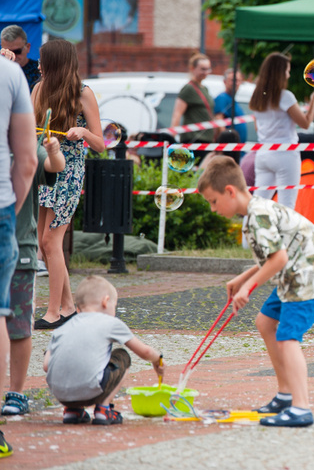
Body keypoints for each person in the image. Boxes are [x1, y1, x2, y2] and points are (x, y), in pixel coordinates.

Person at [198, 157, 314, 426]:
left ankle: (301, 407)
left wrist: (248, 288)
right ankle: (285, 396)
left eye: (213, 201)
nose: (213, 209)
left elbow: (279, 259)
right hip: (295, 271)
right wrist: (242, 278)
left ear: (230, 191)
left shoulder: (258, 215)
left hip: (307, 274)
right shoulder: (254, 213)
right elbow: (273, 257)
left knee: (287, 337)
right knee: (265, 323)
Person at [33, 39, 106, 329]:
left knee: (51, 241)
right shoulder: (39, 88)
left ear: (54, 63)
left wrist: (83, 131)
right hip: (44, 168)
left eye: (42, 61)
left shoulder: (83, 93)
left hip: (70, 172)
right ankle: (67, 308)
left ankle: (53, 312)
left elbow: (101, 144)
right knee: (44, 242)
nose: (38, 66)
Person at [43, 275, 164, 424]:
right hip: (92, 390)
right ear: (106, 301)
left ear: (79, 308)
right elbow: (145, 352)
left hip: (61, 394)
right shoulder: (110, 323)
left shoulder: (62, 328)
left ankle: (72, 410)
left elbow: (46, 365)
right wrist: (158, 358)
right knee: (122, 356)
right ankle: (103, 410)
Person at [3, 129, 64, 416]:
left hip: (20, 250)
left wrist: (52, 150)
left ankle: (16, 393)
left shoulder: (24, 144)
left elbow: (55, 166)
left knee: (19, 326)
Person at [0, 53, 38, 457]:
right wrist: (9, 209)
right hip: (2, 211)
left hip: (15, 230)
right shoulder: (11, 75)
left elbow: (40, 161)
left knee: (16, 318)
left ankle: (17, 392)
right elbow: (28, 161)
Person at [249, 52, 314, 209]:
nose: (288, 75)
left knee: (257, 204)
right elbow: (304, 123)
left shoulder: (258, 96)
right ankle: (284, 234)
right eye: (287, 71)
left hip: (263, 153)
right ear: (280, 72)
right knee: (287, 205)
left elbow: (257, 127)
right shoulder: (285, 96)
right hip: (285, 153)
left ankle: (248, 233)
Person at [170, 53, 217, 145]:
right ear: (192, 68)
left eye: (208, 69)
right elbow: (177, 114)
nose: (206, 72)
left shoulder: (205, 88)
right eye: (203, 69)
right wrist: (171, 138)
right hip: (194, 139)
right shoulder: (189, 88)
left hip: (207, 139)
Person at [1, 25, 40, 91]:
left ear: (28, 47)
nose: (13, 56)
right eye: (8, 52)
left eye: (17, 51)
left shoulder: (39, 70)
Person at [214, 67, 248, 144]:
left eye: (238, 80)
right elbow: (219, 122)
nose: (236, 83)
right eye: (233, 80)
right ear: (225, 81)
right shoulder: (222, 98)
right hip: (229, 147)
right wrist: (227, 142)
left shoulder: (232, 100)